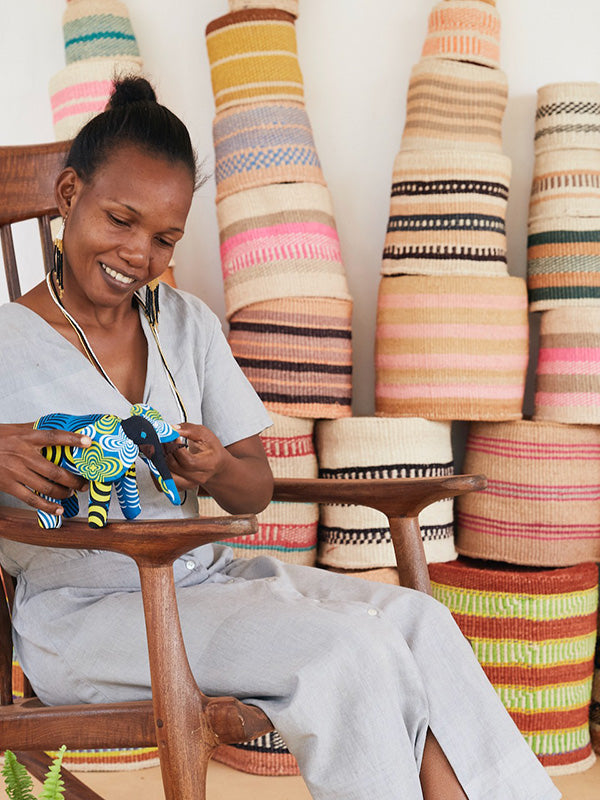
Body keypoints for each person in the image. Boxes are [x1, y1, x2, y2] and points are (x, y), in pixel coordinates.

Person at [0, 77, 560, 800]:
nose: (140, 253)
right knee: (349, 650)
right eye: (121, 219)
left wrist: (210, 465)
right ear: (70, 194)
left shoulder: (185, 322)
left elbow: (255, 485)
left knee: (420, 621)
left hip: (211, 581)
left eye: (165, 237)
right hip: (87, 617)